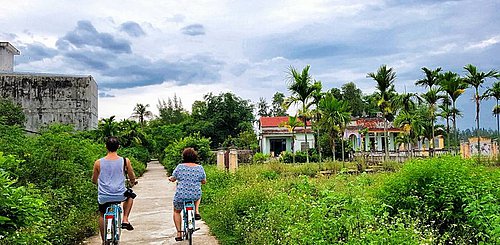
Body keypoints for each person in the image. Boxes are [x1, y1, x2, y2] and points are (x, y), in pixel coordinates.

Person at [92, 136, 137, 241]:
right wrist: (132, 182)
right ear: (119, 147)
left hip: (104, 196)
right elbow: (131, 175)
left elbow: (94, 180)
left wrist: (97, 182)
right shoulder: (125, 161)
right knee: (130, 196)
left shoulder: (98, 162)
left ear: (105, 147)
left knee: (102, 214)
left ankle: (104, 241)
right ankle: (125, 219)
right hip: (119, 194)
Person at [168, 147, 206, 241]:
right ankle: (196, 211)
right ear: (195, 157)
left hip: (181, 195)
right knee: (199, 194)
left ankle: (179, 234)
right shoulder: (200, 168)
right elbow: (204, 181)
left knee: (177, 211)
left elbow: (174, 178)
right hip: (195, 194)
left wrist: (171, 178)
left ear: (184, 157)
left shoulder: (180, 167)